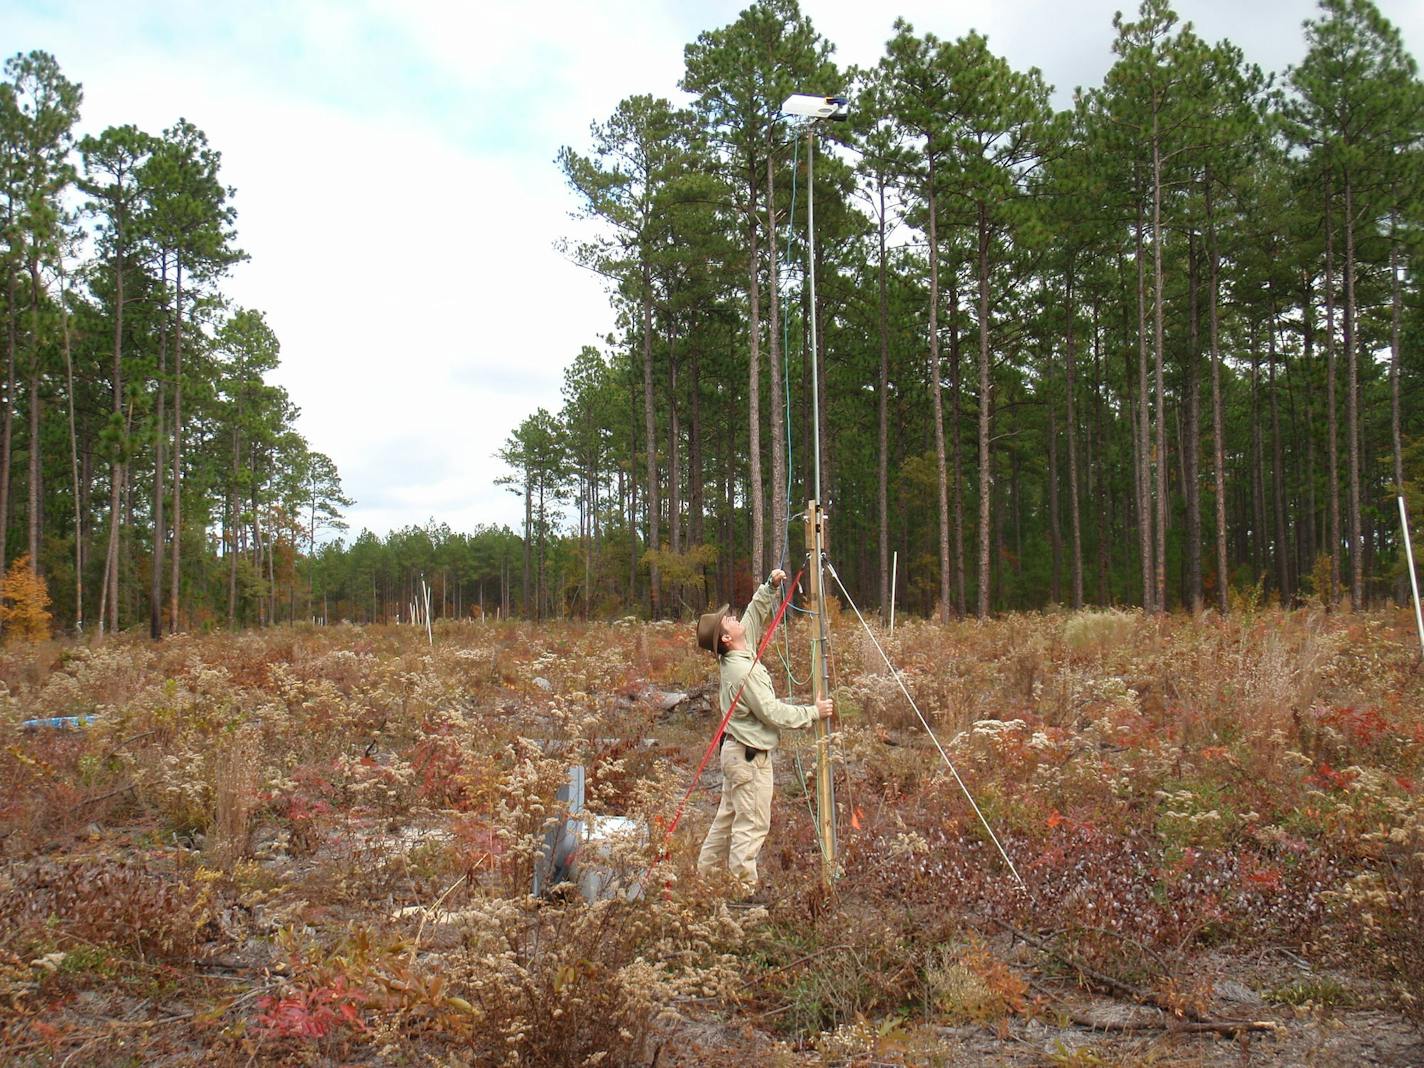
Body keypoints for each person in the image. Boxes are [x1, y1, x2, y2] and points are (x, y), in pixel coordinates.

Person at [694, 567, 833, 897]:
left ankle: (703, 880)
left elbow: (753, 618)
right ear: (726, 639)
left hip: (737, 754)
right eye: (728, 620)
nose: (733, 618)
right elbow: (771, 712)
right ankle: (741, 896)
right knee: (751, 825)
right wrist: (813, 712)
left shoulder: (739, 651)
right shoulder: (743, 671)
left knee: (727, 820)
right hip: (748, 760)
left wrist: (770, 587)